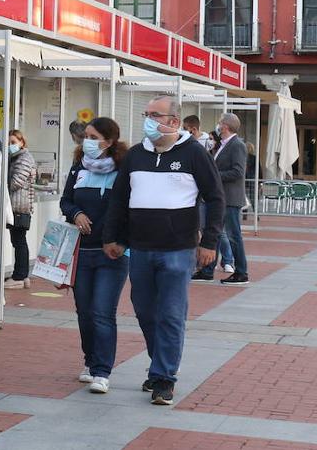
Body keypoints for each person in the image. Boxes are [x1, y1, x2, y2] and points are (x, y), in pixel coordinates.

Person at [103, 95, 223, 407]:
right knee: (144, 310)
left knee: (170, 314)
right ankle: (161, 362)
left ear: (172, 121)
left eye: (154, 115)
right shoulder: (135, 156)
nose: (148, 119)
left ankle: (164, 377)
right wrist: (113, 237)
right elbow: (119, 199)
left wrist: (209, 242)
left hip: (178, 249)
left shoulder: (194, 153)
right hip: (140, 248)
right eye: (146, 114)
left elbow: (216, 197)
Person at [59, 117, 130, 395]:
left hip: (111, 253)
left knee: (102, 312)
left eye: (93, 136)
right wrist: (75, 213)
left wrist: (122, 240)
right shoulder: (79, 167)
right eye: (85, 136)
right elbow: (66, 199)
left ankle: (102, 370)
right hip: (81, 252)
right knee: (85, 312)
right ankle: (90, 361)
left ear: (109, 141)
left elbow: (129, 208)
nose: (86, 141)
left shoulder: (123, 170)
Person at [194, 114, 251, 286]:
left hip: (231, 198)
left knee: (234, 236)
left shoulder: (237, 145)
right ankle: (207, 270)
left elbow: (238, 172)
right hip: (221, 198)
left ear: (225, 126)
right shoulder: (223, 145)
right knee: (216, 234)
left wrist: (214, 176)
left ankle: (241, 272)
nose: (218, 126)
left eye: (219, 123)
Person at [2, 129, 37, 290]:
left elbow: (16, 182)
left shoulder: (23, 158)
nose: (10, 146)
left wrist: (2, 185)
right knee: (18, 241)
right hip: (18, 205)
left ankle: (20, 276)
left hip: (19, 206)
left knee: (19, 241)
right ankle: (22, 275)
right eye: (8, 143)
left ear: (22, 143)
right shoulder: (15, 158)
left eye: (13, 143)